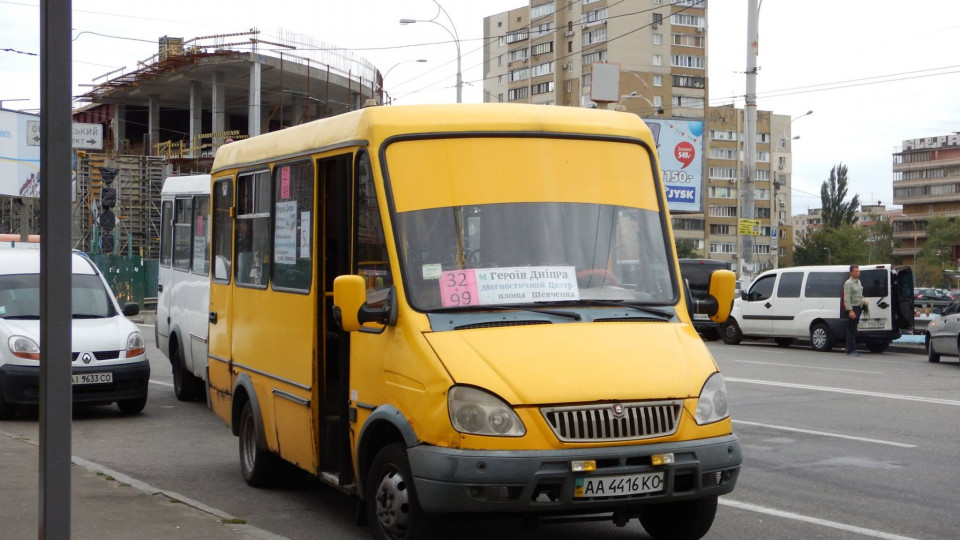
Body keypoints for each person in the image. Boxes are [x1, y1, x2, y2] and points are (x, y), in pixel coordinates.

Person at [843, 264, 867, 356]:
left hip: (858, 307)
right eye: (856, 271)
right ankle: (851, 349)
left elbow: (859, 294)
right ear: (851, 272)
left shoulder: (858, 281)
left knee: (853, 329)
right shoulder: (848, 283)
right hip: (853, 308)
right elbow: (847, 298)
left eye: (858, 271)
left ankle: (849, 348)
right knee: (852, 329)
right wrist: (850, 311)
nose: (858, 273)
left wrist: (863, 300)